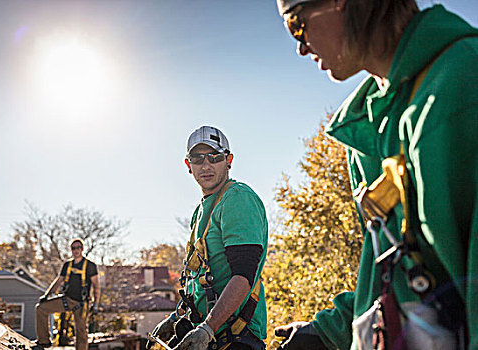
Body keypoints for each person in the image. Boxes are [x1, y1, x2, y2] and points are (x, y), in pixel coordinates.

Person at [274, 0, 477, 349]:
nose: (300, 47)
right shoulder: (363, 132)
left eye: (297, 23)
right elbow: (401, 276)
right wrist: (329, 332)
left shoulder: (462, 85)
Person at [148, 126, 269, 350]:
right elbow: (198, 279)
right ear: (188, 165)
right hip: (210, 334)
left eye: (214, 157)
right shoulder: (202, 210)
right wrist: (176, 318)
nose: (206, 165)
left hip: (235, 337)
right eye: (197, 158)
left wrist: (208, 328)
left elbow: (243, 276)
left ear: (229, 160)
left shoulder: (237, 198)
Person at [33, 238, 100, 350]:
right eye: (73, 248)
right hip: (67, 300)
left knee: (81, 330)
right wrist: (46, 295)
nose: (76, 250)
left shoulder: (90, 266)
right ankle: (44, 341)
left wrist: (96, 305)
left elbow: (96, 286)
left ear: (82, 249)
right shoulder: (67, 265)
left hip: (82, 304)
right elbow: (58, 281)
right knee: (41, 308)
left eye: (78, 248)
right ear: (71, 250)